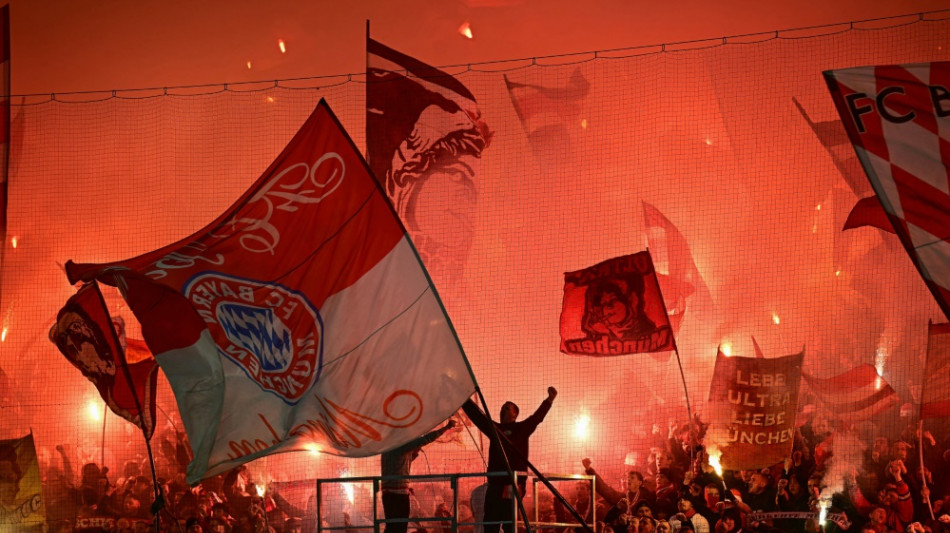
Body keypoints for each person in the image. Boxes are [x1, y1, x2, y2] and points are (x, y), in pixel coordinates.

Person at [462, 387, 558, 533]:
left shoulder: (522, 428)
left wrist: (549, 400)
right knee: (490, 525)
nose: (503, 410)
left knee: (509, 525)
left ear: (515, 414)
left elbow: (537, 418)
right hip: (495, 485)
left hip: (513, 485)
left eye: (507, 408)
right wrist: (464, 399)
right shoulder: (495, 429)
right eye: (502, 408)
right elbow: (478, 417)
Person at [380, 420, 458, 533]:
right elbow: (426, 439)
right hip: (398, 494)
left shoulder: (388, 448)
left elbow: (401, 464)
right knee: (399, 527)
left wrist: (415, 453)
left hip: (389, 493)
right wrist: (446, 428)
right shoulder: (401, 445)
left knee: (393, 527)